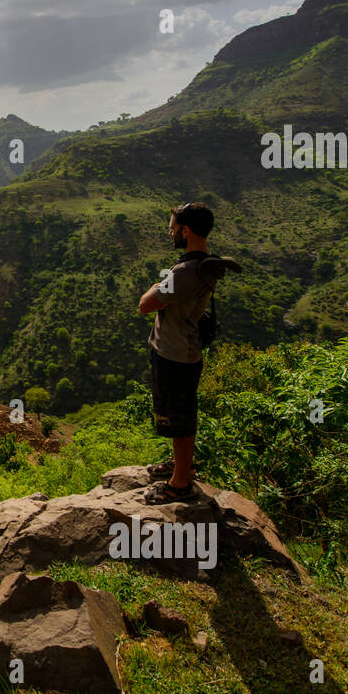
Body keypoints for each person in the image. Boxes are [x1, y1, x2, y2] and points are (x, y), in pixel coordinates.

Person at [137, 202, 222, 504]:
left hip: (175, 354)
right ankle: (181, 465)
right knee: (179, 414)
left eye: (172, 228)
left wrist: (155, 286)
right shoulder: (205, 263)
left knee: (180, 416)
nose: (169, 232)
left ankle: (180, 483)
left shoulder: (185, 272)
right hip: (185, 350)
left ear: (186, 231)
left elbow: (146, 304)